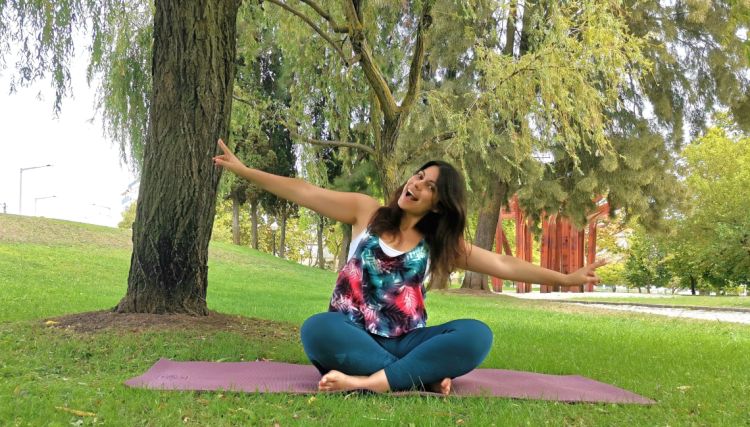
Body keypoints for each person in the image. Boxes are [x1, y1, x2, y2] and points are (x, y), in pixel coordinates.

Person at [213, 139, 604, 395]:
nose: (416, 184)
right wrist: (246, 172)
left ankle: (369, 382)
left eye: (429, 185)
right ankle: (418, 378)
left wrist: (564, 279)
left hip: (405, 338)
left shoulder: (440, 245)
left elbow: (502, 262)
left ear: (438, 204)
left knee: (476, 334)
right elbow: (305, 191)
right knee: (318, 328)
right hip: (352, 334)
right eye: (418, 176)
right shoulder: (365, 212)